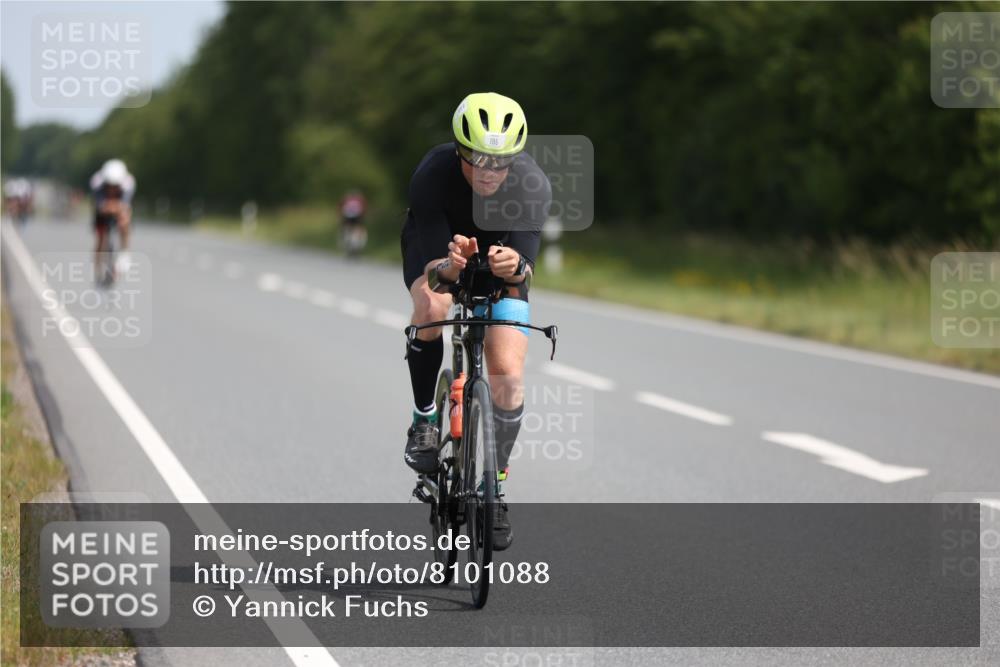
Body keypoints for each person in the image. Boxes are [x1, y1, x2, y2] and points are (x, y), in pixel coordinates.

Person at [400, 92, 551, 550]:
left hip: (501, 261)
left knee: (507, 372)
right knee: (432, 307)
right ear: (459, 150)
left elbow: (525, 267)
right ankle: (424, 418)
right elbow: (436, 276)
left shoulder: (532, 184)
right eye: (477, 158)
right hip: (442, 253)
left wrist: (515, 266)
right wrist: (451, 265)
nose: (488, 170)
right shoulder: (432, 176)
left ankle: (495, 484)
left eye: (500, 161)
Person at [89, 159, 136, 283]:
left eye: (115, 186)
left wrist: (118, 210)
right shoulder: (96, 182)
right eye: (109, 186)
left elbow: (125, 206)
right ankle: (97, 268)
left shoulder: (129, 183)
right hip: (103, 209)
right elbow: (100, 207)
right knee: (100, 236)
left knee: (125, 220)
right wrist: (109, 207)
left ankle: (125, 252)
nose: (112, 189)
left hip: (119, 206)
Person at [339, 189, 368, 255]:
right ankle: (357, 243)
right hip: (358, 216)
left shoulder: (346, 198)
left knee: (346, 228)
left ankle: (346, 241)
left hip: (347, 216)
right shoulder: (360, 199)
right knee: (358, 228)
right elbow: (364, 208)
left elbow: (340, 207)